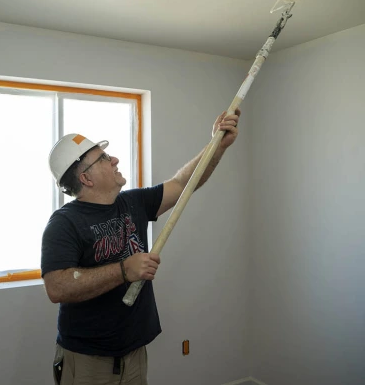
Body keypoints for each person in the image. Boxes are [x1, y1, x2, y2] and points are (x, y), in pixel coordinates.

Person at [41, 109, 241, 385]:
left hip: (134, 352)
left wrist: (216, 145)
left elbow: (184, 183)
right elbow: (57, 287)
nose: (114, 159)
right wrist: (124, 270)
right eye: (102, 158)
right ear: (85, 178)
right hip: (87, 360)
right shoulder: (64, 223)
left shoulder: (132, 202)